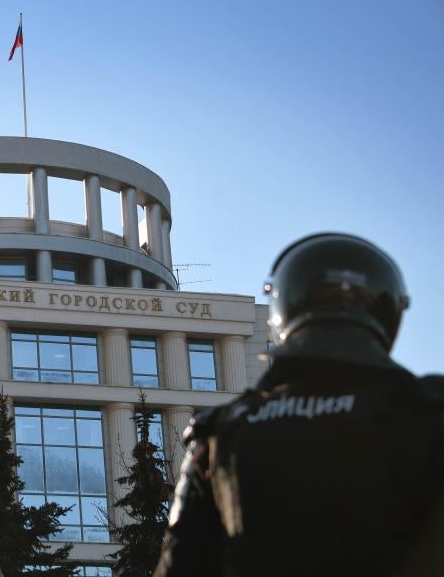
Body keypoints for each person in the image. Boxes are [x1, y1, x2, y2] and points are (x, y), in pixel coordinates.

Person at [153, 233, 444, 577]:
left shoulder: (220, 431)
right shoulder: (428, 410)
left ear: (284, 307)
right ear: (389, 308)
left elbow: (179, 563)